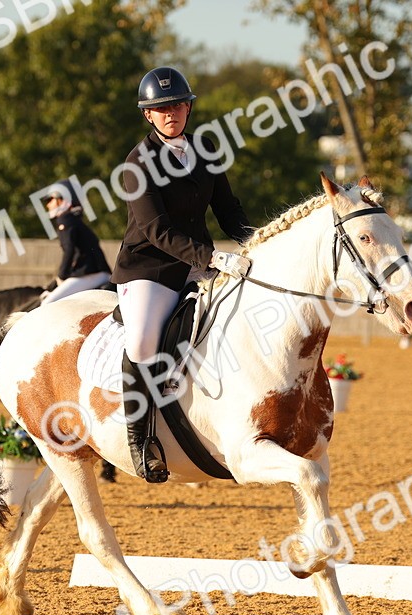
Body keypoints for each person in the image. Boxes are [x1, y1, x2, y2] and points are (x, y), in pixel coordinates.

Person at [113, 66, 252, 483]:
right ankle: (140, 441)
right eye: (161, 108)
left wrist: (255, 242)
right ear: (148, 116)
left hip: (196, 265)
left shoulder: (206, 150)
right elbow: (156, 230)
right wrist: (211, 257)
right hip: (149, 269)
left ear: (188, 108)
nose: (170, 113)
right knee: (142, 340)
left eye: (176, 105)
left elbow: (228, 209)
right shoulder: (137, 164)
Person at [39, 180, 111, 305]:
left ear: (62, 200)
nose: (48, 205)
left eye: (50, 200)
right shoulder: (75, 220)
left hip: (89, 274)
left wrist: (61, 276)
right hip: (99, 273)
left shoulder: (65, 220)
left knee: (46, 304)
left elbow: (69, 250)